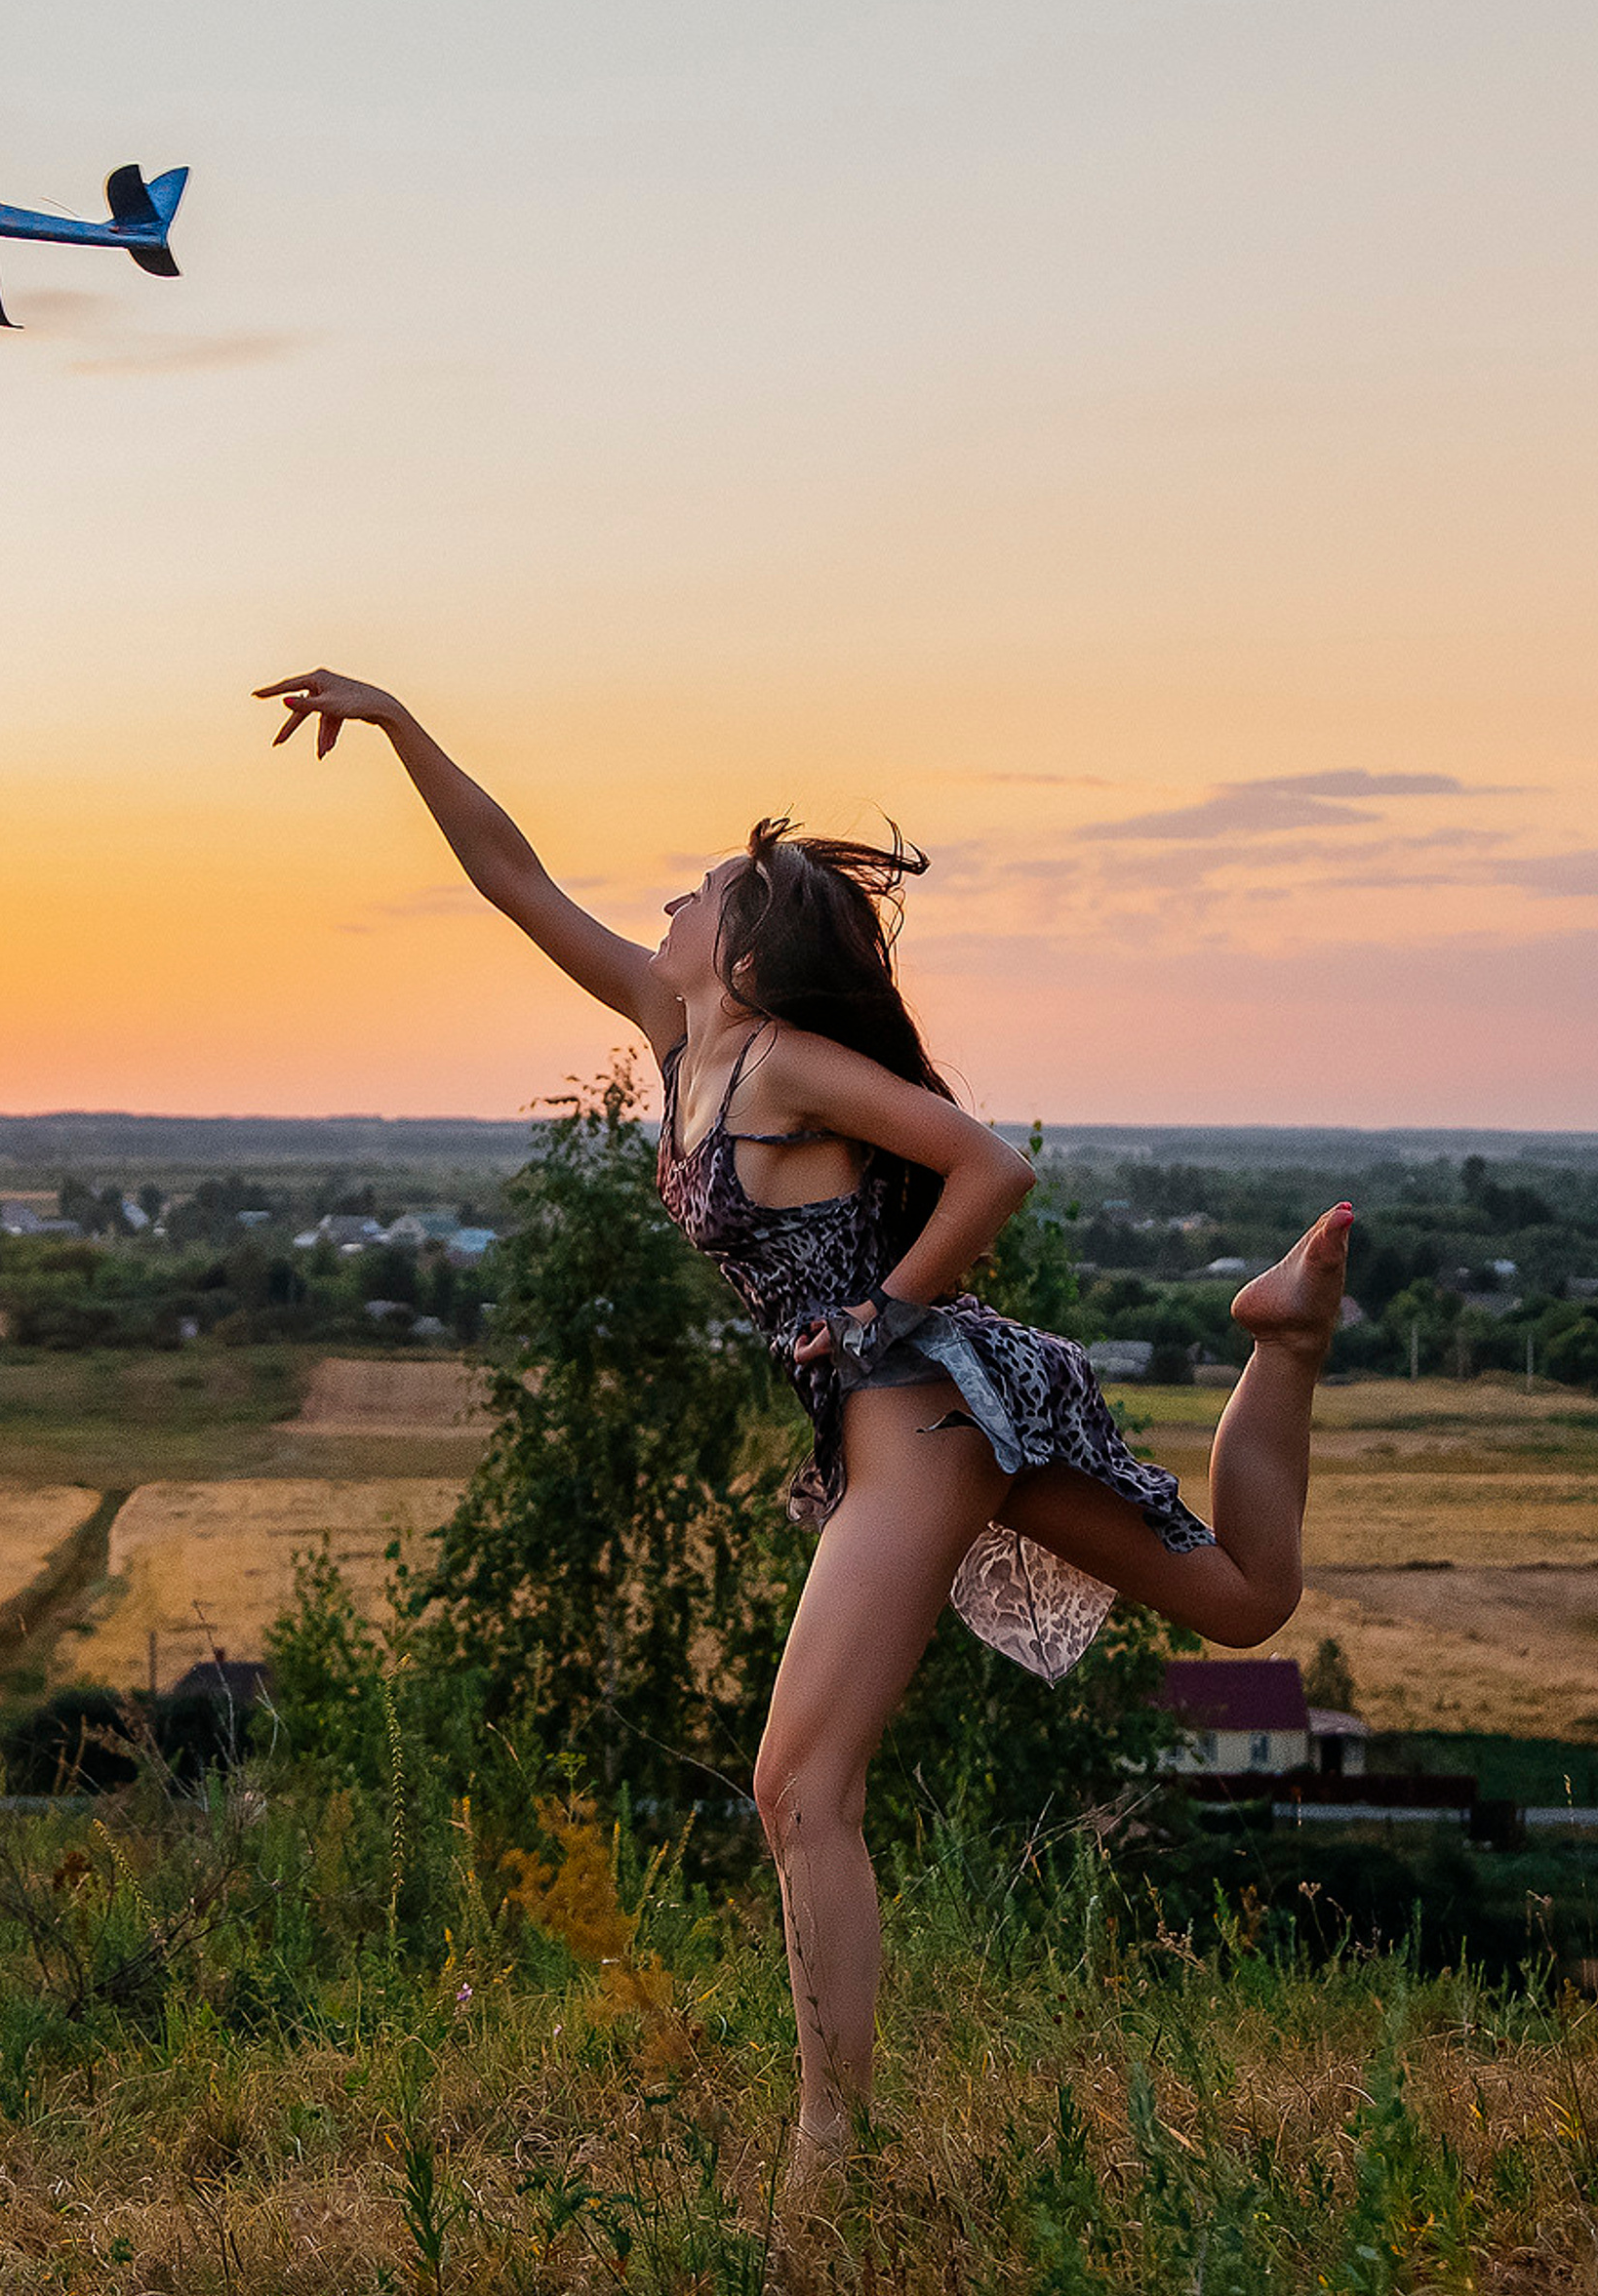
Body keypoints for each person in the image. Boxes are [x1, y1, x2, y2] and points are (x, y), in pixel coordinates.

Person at [255, 666, 1350, 2190]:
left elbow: (986, 1169)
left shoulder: (781, 1064)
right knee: (1247, 1598)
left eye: (700, 891)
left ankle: (826, 2161)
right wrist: (392, 721)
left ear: (752, 950)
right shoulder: (681, 1033)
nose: (667, 901)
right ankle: (1284, 1340)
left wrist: (877, 1313)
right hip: (910, 1419)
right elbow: (515, 879)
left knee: (797, 1791)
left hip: (917, 1413)